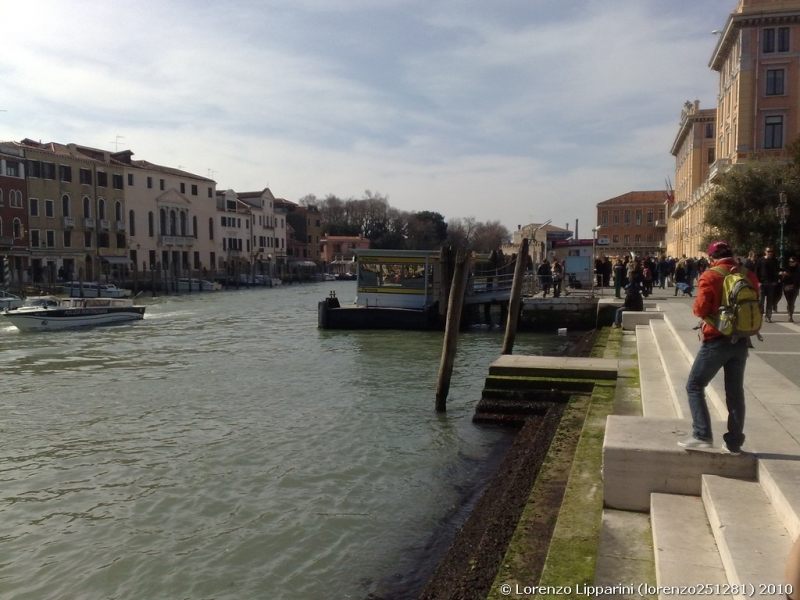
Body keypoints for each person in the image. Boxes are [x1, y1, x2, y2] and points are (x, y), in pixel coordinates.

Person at [678, 241, 759, 455]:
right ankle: (734, 443)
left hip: (716, 340)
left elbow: (700, 309)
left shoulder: (710, 275)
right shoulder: (748, 274)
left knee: (694, 385)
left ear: (712, 257)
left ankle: (701, 434)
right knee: (735, 392)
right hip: (741, 340)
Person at [755, 247, 780, 322]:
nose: (770, 253)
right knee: (761, 301)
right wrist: (758, 282)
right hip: (762, 283)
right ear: (765, 252)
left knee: (770, 301)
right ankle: (759, 315)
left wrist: (776, 280)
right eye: (769, 251)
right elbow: (756, 271)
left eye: (771, 251)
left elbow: (777, 271)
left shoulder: (775, 260)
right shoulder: (760, 260)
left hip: (771, 283)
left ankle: (768, 316)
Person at [780, 256, 800, 323]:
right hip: (787, 287)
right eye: (790, 262)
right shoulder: (786, 268)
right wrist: (783, 275)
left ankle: (790, 314)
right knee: (789, 301)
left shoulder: (798, 269)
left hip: (795, 287)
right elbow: (783, 279)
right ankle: (789, 314)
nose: (791, 263)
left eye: (792, 262)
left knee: (792, 301)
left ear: (796, 262)